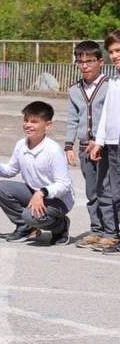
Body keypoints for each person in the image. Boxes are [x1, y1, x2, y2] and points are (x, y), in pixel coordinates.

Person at [0, 101, 73, 245]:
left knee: (29, 215)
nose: (28, 125)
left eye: (34, 121)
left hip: (58, 199)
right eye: (25, 120)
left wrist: (42, 193)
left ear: (48, 125)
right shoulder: (21, 145)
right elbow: (11, 170)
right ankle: (26, 229)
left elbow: (64, 184)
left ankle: (60, 227)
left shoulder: (53, 150)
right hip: (34, 192)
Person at [65, 40, 112, 250]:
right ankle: (96, 229)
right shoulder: (74, 90)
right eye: (80, 61)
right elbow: (72, 119)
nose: (85, 66)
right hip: (85, 146)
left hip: (106, 146)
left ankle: (111, 231)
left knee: (108, 190)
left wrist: (101, 140)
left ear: (100, 62)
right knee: (92, 191)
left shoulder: (111, 86)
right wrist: (68, 145)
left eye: (90, 61)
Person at [85, 30, 120, 253]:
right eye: (112, 52)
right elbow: (107, 113)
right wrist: (99, 141)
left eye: (118, 50)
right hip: (114, 144)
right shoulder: (115, 80)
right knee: (115, 193)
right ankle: (114, 235)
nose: (115, 55)